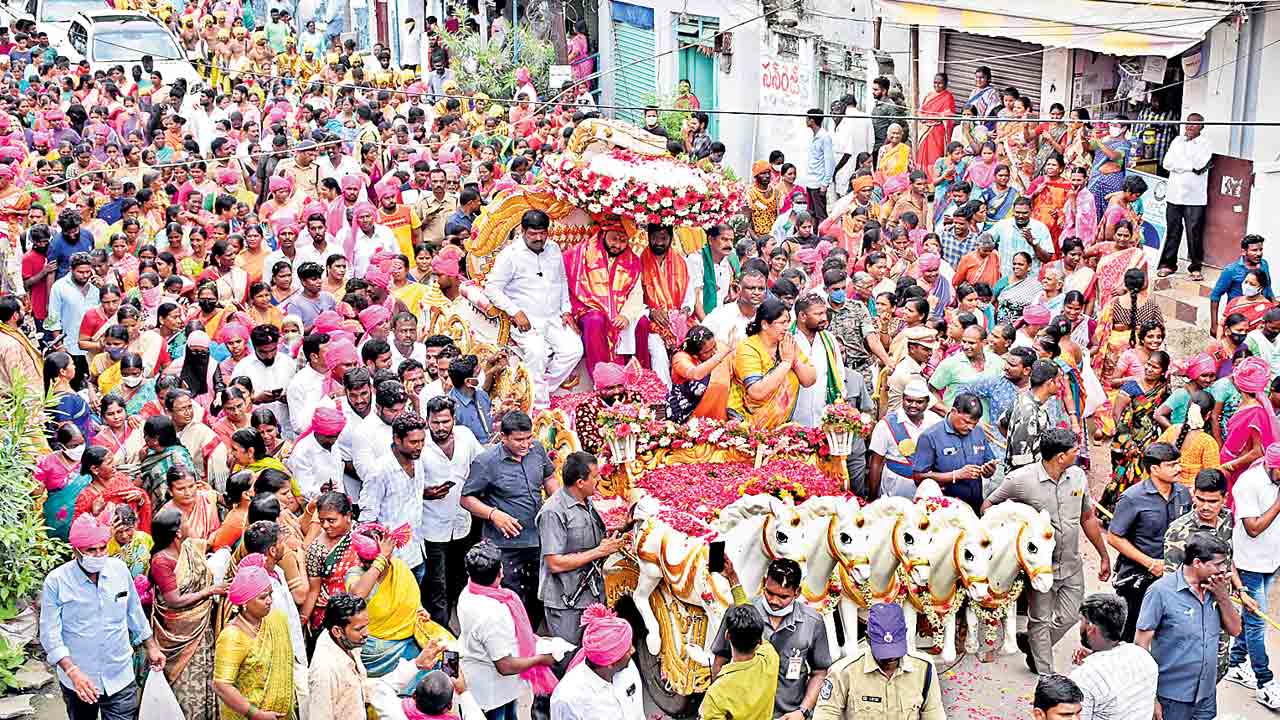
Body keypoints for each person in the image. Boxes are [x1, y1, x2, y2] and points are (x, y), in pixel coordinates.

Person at [983, 429, 1111, 675]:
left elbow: (1087, 517)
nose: (1079, 453)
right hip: (1040, 569)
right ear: (1061, 456)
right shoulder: (1020, 480)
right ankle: (1045, 674)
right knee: (1040, 620)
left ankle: (1032, 643)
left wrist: (1103, 555)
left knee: (1071, 615)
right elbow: (989, 506)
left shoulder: (1078, 477)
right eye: (1075, 450)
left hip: (1072, 564)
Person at [40, 513, 165, 720]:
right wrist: (72, 672)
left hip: (120, 674)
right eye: (91, 550)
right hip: (80, 680)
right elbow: (50, 634)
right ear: (76, 551)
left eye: (102, 548)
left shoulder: (119, 570)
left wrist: (151, 646)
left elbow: (134, 612)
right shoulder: (57, 581)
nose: (98, 555)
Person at [461, 411, 559, 630]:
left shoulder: (537, 451)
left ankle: (529, 636)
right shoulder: (486, 462)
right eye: (519, 440)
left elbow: (549, 477)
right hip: (505, 545)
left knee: (536, 593)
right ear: (503, 437)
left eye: (528, 438)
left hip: (536, 539)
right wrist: (494, 514)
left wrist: (558, 501)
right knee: (508, 597)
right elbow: (466, 498)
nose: (525, 444)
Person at [482, 210, 583, 407]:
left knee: (574, 350)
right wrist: (515, 312)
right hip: (526, 320)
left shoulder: (553, 249)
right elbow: (492, 288)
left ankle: (540, 388)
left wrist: (566, 310)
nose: (538, 238)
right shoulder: (510, 255)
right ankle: (539, 406)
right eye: (533, 234)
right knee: (537, 353)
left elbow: (562, 282)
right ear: (522, 231)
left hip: (554, 317)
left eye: (542, 233)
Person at [1135, 533, 1242, 720]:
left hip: (1206, 695)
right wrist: (1149, 697)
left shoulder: (1217, 588)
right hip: (1170, 697)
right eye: (1218, 564)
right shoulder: (1160, 592)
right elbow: (1140, 646)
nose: (1224, 569)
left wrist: (1223, 596)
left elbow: (1236, 630)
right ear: (1198, 563)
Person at [711, 558, 832, 719]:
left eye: (783, 596)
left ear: (797, 592)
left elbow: (820, 672)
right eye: (769, 593)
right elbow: (720, 660)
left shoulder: (812, 622)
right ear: (763, 583)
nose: (774, 601)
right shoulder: (742, 615)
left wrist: (802, 711)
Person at [457, 542, 558, 720]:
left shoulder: (468, 592)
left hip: (490, 683)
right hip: (494, 691)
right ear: (501, 572)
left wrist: (533, 639)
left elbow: (512, 631)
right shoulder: (492, 613)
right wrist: (541, 659)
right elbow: (505, 666)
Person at [537, 451, 626, 649]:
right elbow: (554, 563)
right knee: (569, 656)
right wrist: (600, 552)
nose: (599, 480)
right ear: (580, 482)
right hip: (567, 600)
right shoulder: (554, 512)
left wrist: (624, 528)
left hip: (591, 594)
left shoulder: (586, 500)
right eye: (595, 476)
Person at [1107, 442, 1192, 642]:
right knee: (1132, 634)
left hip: (1174, 579)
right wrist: (1150, 563)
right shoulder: (1132, 498)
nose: (1178, 469)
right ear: (1154, 469)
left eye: (1178, 463)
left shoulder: (1183, 494)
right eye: (1172, 465)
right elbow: (1114, 537)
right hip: (1138, 581)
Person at [148, 506, 225, 720]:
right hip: (180, 632)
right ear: (177, 533)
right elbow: (174, 600)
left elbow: (210, 545)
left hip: (201, 628)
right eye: (187, 522)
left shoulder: (188, 548)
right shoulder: (162, 561)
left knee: (206, 672)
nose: (192, 525)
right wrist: (209, 591)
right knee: (185, 681)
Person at [812, 602, 945, 720]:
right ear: (868, 639)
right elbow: (825, 714)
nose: (891, 659)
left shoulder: (924, 668)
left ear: (905, 635)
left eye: (894, 649)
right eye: (884, 652)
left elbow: (934, 714)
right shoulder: (843, 672)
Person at [1227, 442, 1280, 707]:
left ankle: (1235, 663)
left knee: (1250, 620)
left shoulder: (1276, 480)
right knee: (1258, 623)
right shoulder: (1249, 484)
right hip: (1248, 564)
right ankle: (1265, 682)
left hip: (1271, 561)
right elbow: (1254, 528)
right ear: (1271, 466)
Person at [212, 555, 296, 720]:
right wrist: (256, 714)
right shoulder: (232, 636)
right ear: (244, 602)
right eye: (263, 597)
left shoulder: (276, 619)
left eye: (270, 594)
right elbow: (221, 685)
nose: (270, 601)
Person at [358, 412, 429, 582]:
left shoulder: (417, 461)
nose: (419, 447)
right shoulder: (379, 471)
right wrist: (379, 559)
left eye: (422, 441)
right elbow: (367, 521)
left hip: (417, 551)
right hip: (392, 560)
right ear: (397, 439)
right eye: (413, 442)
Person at [728, 297, 817, 428]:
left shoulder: (787, 343)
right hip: (748, 426)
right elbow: (756, 392)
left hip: (780, 426)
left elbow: (810, 379)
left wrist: (795, 361)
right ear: (764, 324)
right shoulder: (749, 348)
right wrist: (786, 363)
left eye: (788, 322)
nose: (787, 327)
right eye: (782, 323)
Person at [1068, 592, 1158, 720]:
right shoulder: (1144, 657)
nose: (1080, 626)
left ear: (1091, 628)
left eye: (1082, 621)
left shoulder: (1083, 678)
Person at [548, 603, 645, 720]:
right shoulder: (567, 699)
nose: (633, 651)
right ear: (610, 663)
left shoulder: (627, 668)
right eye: (627, 649)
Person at [912, 393, 997, 513]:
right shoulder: (930, 437)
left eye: (974, 423)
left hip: (974, 507)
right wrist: (955, 475)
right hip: (944, 510)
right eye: (966, 422)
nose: (971, 428)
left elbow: (988, 463)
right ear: (953, 411)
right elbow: (918, 477)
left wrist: (989, 470)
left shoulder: (978, 432)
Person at [1158, 113, 1212, 280]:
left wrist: (1179, 164)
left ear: (1201, 127)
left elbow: (1199, 165)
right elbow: (1167, 163)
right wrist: (1187, 165)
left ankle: (1195, 267)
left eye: (1194, 124)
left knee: (1194, 231)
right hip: (1174, 194)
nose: (1189, 126)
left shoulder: (1205, 144)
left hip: (1195, 197)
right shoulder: (1177, 141)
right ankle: (1168, 264)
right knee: (1173, 229)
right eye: (1187, 123)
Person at [869, 379, 942, 499]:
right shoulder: (886, 424)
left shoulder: (935, 422)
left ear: (927, 402)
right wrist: (872, 497)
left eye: (919, 402)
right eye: (909, 400)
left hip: (926, 488)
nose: (913, 405)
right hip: (895, 487)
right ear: (903, 399)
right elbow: (876, 463)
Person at [307, 592, 372, 720]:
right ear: (337, 631)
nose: (366, 633)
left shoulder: (348, 643)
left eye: (366, 626)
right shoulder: (324, 670)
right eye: (359, 629)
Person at [999, 360, 1062, 475]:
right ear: (1050, 383)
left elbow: (1002, 422)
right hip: (1026, 478)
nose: (1060, 385)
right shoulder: (1028, 413)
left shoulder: (1025, 398)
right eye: (1058, 381)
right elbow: (1021, 462)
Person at [792, 293, 843, 427]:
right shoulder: (788, 339)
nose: (824, 318)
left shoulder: (829, 339)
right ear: (802, 316)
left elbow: (839, 375)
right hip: (794, 419)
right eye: (818, 314)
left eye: (824, 313)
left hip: (824, 418)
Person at [668, 325, 736, 422]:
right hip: (687, 417)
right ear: (695, 355)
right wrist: (720, 355)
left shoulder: (719, 348)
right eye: (708, 351)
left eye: (714, 346)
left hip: (718, 415)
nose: (714, 352)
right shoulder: (680, 358)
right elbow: (696, 374)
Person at [1210, 234, 1272, 339]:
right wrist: (1214, 325)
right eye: (1254, 250)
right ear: (1243, 252)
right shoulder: (1231, 270)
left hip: (1258, 320)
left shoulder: (1264, 264)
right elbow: (1215, 296)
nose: (1259, 253)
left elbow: (1268, 287)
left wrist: (1273, 306)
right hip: (1237, 321)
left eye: (1261, 249)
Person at [916, 73, 956, 170]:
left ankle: (934, 177)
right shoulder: (928, 95)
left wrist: (930, 117)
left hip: (938, 131)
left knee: (935, 155)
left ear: (945, 84)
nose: (936, 86)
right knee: (922, 154)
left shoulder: (948, 97)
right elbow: (920, 112)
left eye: (940, 83)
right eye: (935, 83)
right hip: (924, 130)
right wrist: (925, 117)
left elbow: (948, 115)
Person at [805, 108, 835, 222]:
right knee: (811, 214)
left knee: (820, 215)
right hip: (811, 181)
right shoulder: (815, 136)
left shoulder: (824, 137)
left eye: (807, 118)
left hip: (818, 182)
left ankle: (824, 238)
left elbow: (829, 161)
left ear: (812, 120)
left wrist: (825, 183)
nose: (806, 120)